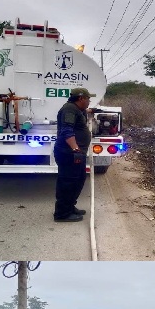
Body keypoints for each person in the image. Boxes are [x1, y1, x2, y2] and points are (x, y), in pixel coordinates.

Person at [53, 88, 95, 222]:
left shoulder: (76, 109)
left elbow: (79, 117)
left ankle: (70, 207)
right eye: (88, 99)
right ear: (81, 98)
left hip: (75, 153)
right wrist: (76, 150)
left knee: (79, 179)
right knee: (68, 183)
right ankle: (62, 214)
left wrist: (89, 111)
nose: (89, 101)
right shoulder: (69, 109)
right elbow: (66, 131)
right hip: (69, 153)